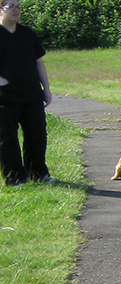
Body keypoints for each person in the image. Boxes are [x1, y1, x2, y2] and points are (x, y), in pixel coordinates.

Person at [0, 0, 54, 186]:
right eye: (11, 6)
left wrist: (46, 89)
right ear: (0, 10)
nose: (16, 10)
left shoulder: (27, 34)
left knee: (37, 135)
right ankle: (15, 178)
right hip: (4, 96)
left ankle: (38, 174)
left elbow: (39, 62)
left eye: (18, 7)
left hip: (32, 94)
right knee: (7, 138)